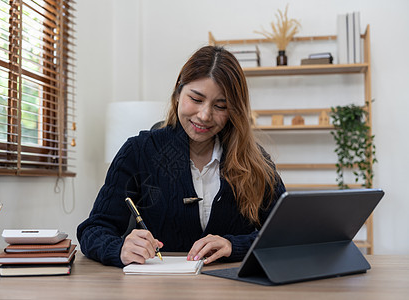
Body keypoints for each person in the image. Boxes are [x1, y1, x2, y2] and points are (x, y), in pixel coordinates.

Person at [77, 46, 286, 267]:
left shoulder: (255, 161)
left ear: (234, 111)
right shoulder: (138, 152)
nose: (205, 116)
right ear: (178, 93)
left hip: (232, 289)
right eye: (196, 99)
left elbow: (287, 232)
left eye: (220, 106)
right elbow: (93, 230)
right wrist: (120, 249)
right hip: (160, 289)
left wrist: (234, 246)